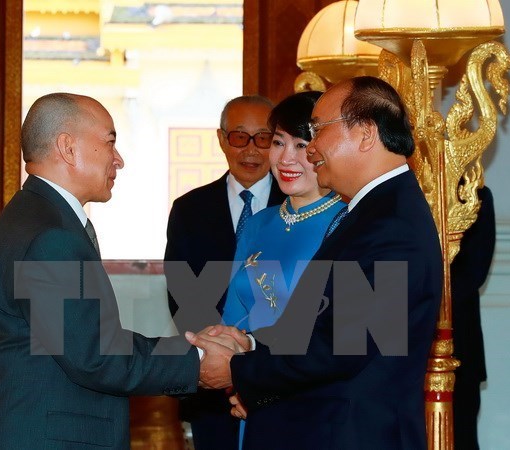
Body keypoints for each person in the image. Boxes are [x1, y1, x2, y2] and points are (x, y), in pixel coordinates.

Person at [0, 93, 246, 450]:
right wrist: (198, 362)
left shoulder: (35, 216)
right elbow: (95, 355)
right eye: (110, 142)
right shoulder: (50, 235)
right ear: (68, 148)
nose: (119, 159)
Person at [188, 76, 443, 449]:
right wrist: (251, 344)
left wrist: (237, 369)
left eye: (318, 130)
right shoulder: (373, 211)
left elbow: (342, 346)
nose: (312, 149)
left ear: (365, 134)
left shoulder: (391, 224)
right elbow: (321, 324)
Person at [164, 94, 286, 450]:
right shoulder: (189, 209)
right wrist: (223, 356)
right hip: (212, 384)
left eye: (264, 138)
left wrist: (255, 358)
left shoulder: (300, 205)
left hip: (279, 376)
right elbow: (183, 297)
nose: (251, 149)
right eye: (239, 136)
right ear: (221, 139)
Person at [222, 90, 346, 332]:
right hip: (247, 366)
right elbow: (232, 316)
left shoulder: (348, 222)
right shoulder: (257, 223)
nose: (285, 158)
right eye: (278, 142)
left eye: (301, 145)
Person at [451, 185, 495, 450]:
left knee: (461, 437)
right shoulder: (400, 193)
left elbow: (471, 275)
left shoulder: (476, 195)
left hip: (460, 345)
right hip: (398, 346)